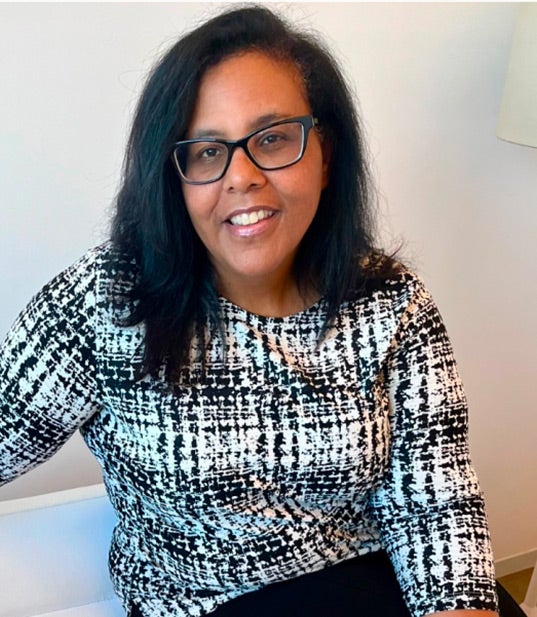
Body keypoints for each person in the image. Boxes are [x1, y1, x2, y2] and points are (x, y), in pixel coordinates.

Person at [0, 5, 523, 617]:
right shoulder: (108, 301)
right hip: (203, 605)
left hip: (366, 581)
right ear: (172, 178)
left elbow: (438, 505)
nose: (241, 176)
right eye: (204, 151)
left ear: (325, 155)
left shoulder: (391, 300)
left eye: (273, 139)